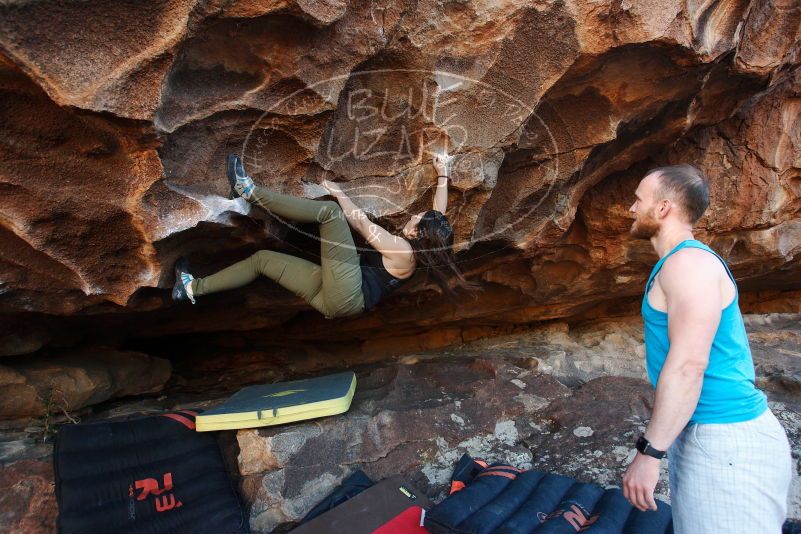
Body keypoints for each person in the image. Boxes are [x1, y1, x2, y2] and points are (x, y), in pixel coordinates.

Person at [621, 164, 792, 532]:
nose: (630, 209)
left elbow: (688, 365)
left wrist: (648, 453)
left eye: (638, 200)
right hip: (712, 437)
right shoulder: (681, 263)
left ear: (663, 208)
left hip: (726, 442)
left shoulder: (689, 263)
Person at [172, 153, 474, 318]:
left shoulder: (403, 251)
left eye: (416, 219)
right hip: (336, 301)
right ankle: (191, 288)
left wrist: (339, 193)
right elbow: (439, 213)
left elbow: (359, 223)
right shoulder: (422, 247)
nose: (411, 215)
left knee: (330, 213)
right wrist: (443, 173)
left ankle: (248, 191)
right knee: (262, 260)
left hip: (348, 292)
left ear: (418, 232)